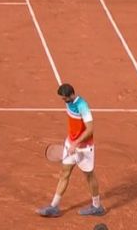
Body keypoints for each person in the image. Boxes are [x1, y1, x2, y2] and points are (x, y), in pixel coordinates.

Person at [37, 83, 105, 218]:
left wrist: (76, 143)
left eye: (65, 98)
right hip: (71, 144)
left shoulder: (83, 106)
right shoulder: (68, 103)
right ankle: (54, 206)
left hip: (84, 148)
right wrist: (71, 143)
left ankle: (97, 207)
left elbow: (90, 129)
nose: (64, 101)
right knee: (64, 173)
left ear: (71, 95)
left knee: (89, 176)